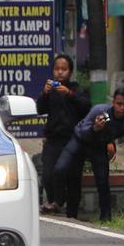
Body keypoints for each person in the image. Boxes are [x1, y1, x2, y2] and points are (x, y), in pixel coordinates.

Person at [52, 87, 124, 221]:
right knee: (60, 169)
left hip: (98, 147)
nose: (122, 108)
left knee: (102, 181)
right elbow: (83, 131)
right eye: (119, 104)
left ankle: (106, 218)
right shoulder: (99, 110)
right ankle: (58, 202)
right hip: (80, 141)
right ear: (113, 102)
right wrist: (95, 128)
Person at [35, 54, 91, 214]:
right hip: (53, 138)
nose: (60, 72)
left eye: (64, 69)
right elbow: (40, 109)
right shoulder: (50, 90)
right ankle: (55, 202)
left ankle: (72, 212)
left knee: (72, 177)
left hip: (73, 139)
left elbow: (86, 107)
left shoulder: (77, 89)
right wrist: (44, 94)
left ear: (70, 71)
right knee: (47, 174)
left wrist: (69, 94)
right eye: (57, 69)